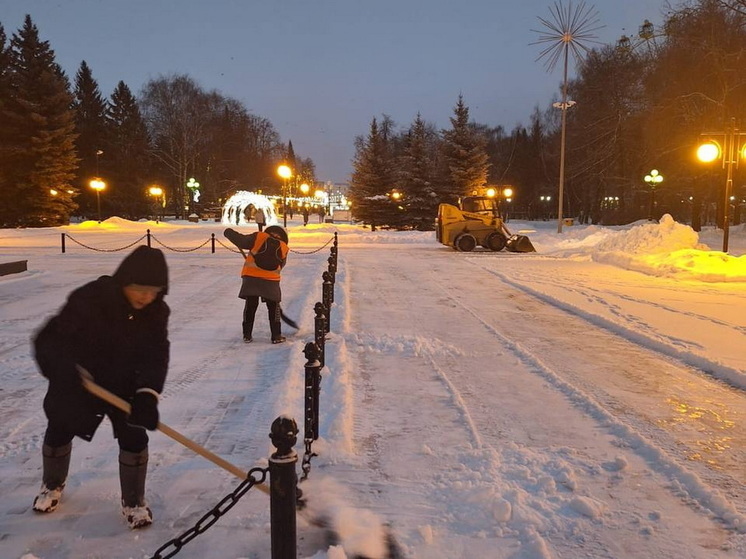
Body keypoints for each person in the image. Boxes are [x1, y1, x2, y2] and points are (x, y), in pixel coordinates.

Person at [32, 245, 170, 530]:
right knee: (60, 427)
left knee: (134, 437)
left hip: (126, 384)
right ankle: (52, 485)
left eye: (153, 290)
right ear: (124, 282)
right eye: (139, 289)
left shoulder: (157, 311)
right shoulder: (90, 298)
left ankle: (134, 501)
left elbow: (155, 353)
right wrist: (62, 369)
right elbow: (49, 339)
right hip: (80, 379)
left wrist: (147, 393)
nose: (146, 297)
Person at [224, 225, 289, 344]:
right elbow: (281, 265)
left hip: (251, 277)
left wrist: (228, 232)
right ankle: (276, 336)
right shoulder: (283, 247)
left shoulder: (259, 236)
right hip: (271, 280)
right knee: (273, 308)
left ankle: (247, 335)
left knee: (250, 305)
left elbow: (241, 241)